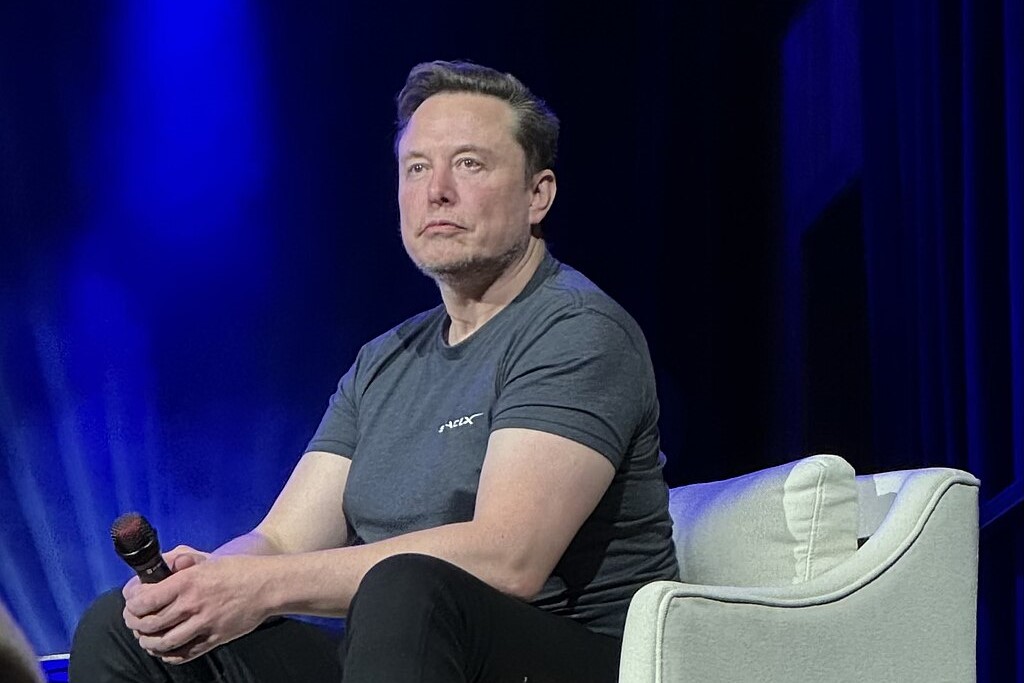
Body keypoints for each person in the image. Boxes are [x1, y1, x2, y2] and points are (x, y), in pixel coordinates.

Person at [69, 59, 679, 682]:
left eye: (469, 163)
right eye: (417, 167)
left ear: (537, 194)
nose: (437, 189)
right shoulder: (383, 361)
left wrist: (261, 587)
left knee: (405, 586)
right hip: (404, 650)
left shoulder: (575, 330)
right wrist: (210, 583)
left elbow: (508, 558)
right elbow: (280, 541)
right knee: (120, 630)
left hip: (570, 657)